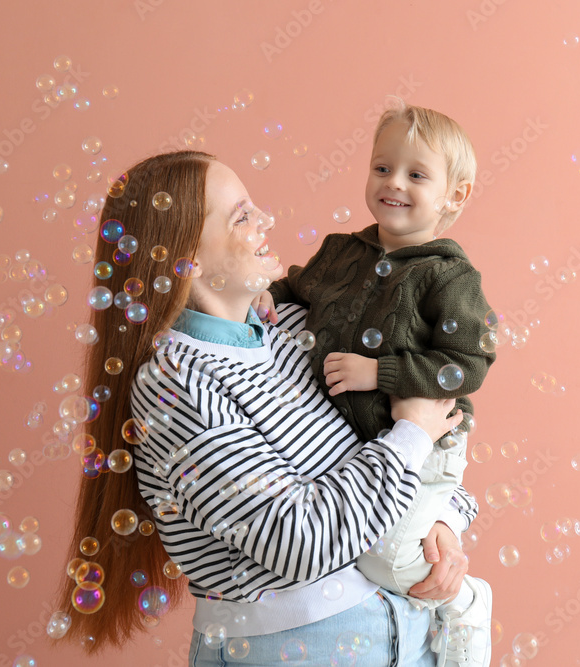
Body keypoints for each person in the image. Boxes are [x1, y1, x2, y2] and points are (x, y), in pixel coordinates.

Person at [57, 151, 475, 667]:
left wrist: (443, 526)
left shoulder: (296, 329)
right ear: (186, 255)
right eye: (242, 216)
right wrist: (412, 434)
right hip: (298, 649)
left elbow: (432, 432)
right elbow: (296, 542)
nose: (265, 222)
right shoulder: (174, 386)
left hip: (409, 630)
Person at [254, 102, 494, 667]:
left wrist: (378, 372)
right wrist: (269, 297)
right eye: (383, 167)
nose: (394, 184)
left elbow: (466, 363)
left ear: (453, 196)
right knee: (353, 533)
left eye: (417, 174)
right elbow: (299, 290)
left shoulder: (448, 275)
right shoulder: (342, 251)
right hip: (367, 447)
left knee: (385, 556)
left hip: (427, 440)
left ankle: (463, 603)